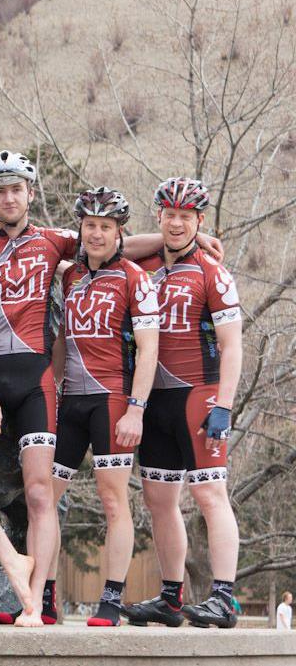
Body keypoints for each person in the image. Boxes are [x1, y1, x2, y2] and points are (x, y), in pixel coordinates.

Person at [0, 151, 220, 627]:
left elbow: (115, 243)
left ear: (30, 194)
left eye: (17, 189)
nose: (9, 197)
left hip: (44, 387)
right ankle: (19, 568)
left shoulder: (54, 242)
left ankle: (45, 602)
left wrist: (189, 238)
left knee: (46, 496)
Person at [122, 177, 242, 629]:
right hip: (153, 399)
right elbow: (113, 243)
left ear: (200, 220)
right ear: (159, 216)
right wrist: (167, 237)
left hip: (199, 395)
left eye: (186, 217)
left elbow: (233, 345)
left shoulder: (213, 271)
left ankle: (224, 598)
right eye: (169, 215)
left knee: (210, 494)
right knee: (158, 499)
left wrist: (224, 405)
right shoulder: (144, 261)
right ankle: (171, 599)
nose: (176, 224)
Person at [47, 188, 160, 626]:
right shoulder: (69, 275)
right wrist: (50, 389)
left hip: (112, 401)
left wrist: (136, 410)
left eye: (105, 227)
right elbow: (60, 340)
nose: (96, 234)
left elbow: (149, 351)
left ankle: (111, 600)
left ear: (119, 233)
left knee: (113, 502)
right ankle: (43, 597)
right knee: (45, 499)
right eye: (89, 225)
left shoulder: (135, 278)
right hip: (69, 401)